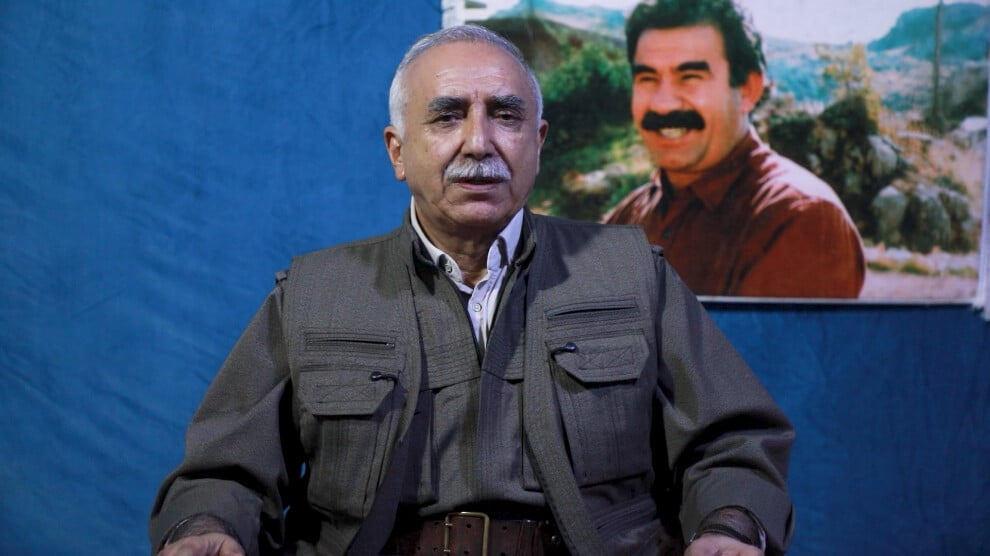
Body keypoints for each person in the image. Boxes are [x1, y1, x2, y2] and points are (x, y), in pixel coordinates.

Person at [150, 25, 794, 556]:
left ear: (538, 144)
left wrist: (731, 525)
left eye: (505, 116)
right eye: (447, 116)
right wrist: (208, 525)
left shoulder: (631, 273)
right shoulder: (315, 294)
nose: (478, 142)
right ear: (397, 151)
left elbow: (732, 443)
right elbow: (225, 471)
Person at [604, 0, 865, 298]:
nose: (663, 104)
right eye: (648, 78)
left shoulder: (800, 219)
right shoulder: (631, 214)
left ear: (748, 90)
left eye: (690, 78)